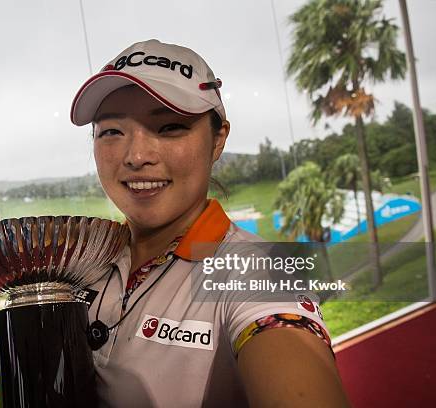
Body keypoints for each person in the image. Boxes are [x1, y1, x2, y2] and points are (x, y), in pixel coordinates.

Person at [70, 39, 349, 407]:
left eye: (169, 127)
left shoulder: (255, 271)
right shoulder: (83, 260)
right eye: (111, 131)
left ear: (218, 140)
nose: (136, 156)